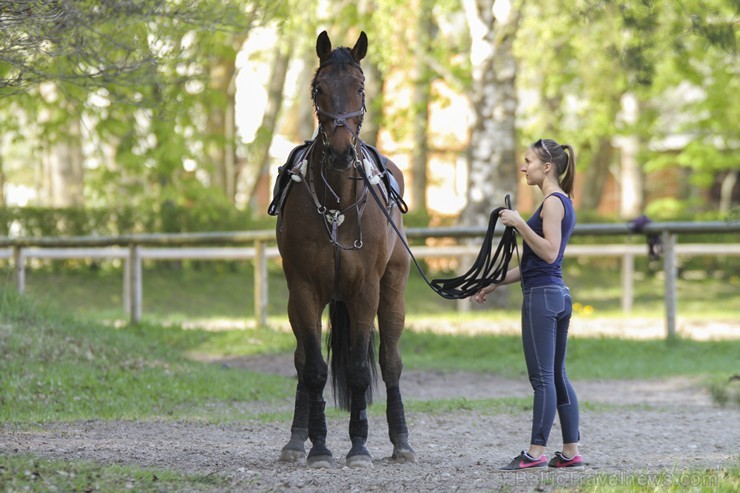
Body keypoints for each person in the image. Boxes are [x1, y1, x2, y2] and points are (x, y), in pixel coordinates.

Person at [472, 138, 584, 472]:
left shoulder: (552, 203)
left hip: (543, 299)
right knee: (557, 376)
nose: (523, 167)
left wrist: (520, 223)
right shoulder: (560, 201)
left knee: (543, 379)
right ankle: (570, 452)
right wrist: (493, 281)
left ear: (546, 167)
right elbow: (536, 264)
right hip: (556, 294)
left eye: (528, 161)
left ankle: (534, 453)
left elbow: (549, 252)